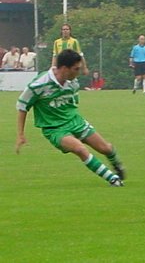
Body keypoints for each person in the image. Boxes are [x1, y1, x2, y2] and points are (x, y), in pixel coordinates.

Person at [16, 49, 125, 187]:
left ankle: (117, 166)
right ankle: (112, 179)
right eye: (76, 69)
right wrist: (20, 134)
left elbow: (73, 102)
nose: (78, 72)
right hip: (54, 128)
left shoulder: (73, 83)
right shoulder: (39, 84)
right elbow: (22, 106)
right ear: (64, 68)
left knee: (106, 148)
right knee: (80, 149)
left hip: (75, 121)